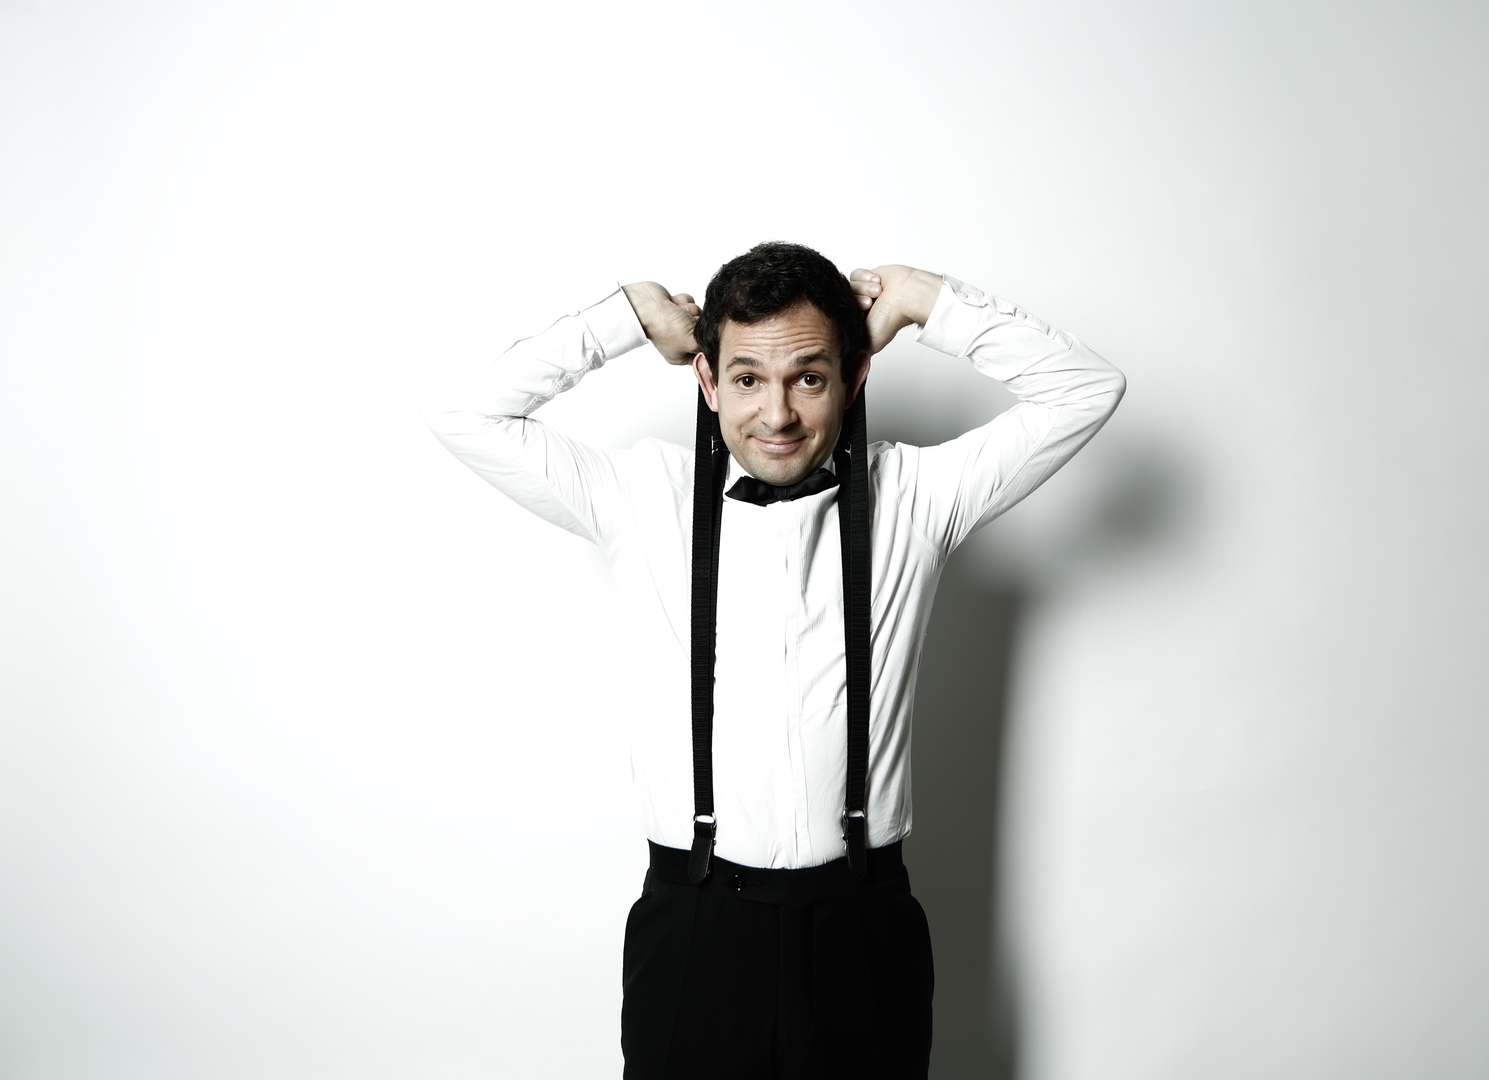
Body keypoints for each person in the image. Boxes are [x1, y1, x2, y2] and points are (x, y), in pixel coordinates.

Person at [423, 242, 1124, 1078]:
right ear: (708, 381)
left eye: (809, 378)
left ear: (855, 378)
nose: (777, 413)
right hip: (695, 929)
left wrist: (923, 299)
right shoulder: (642, 499)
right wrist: (626, 316)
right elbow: (463, 415)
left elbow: (1087, 389)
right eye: (748, 378)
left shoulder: (916, 498)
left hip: (863, 929)